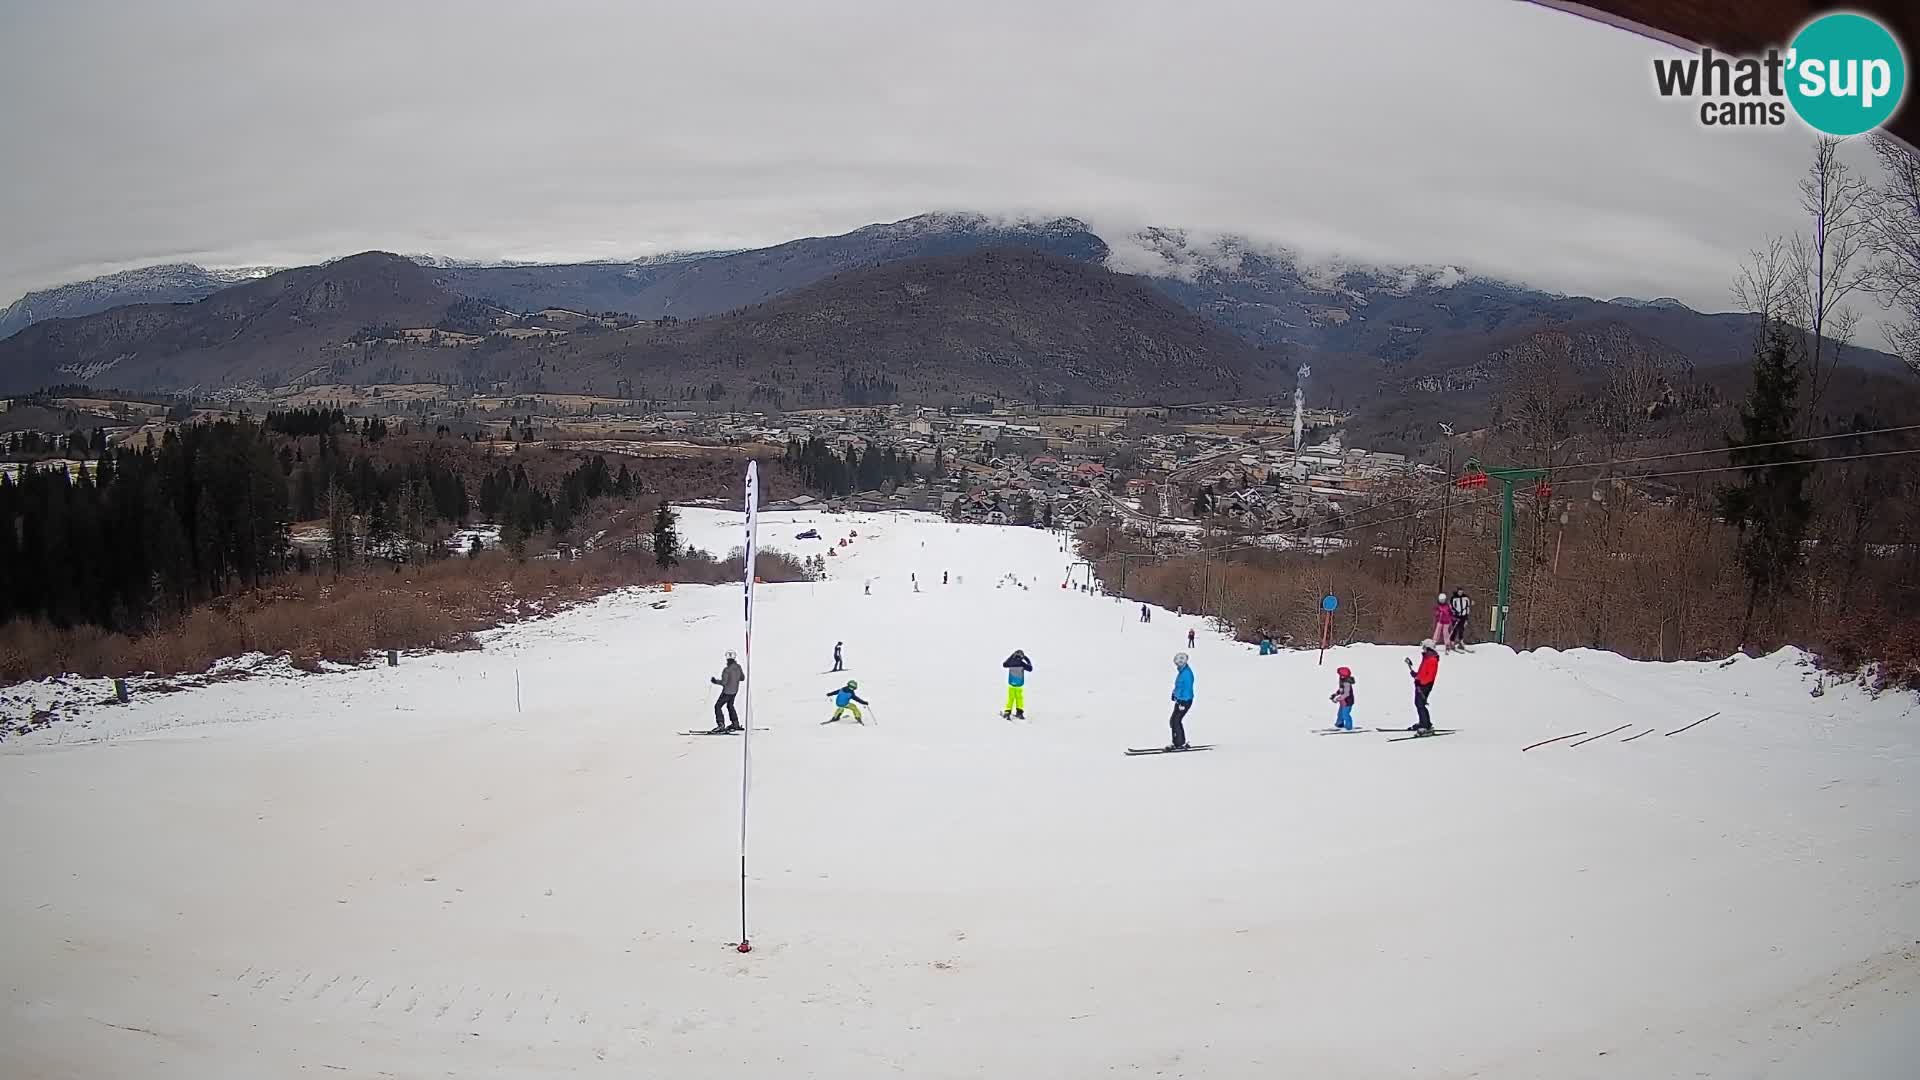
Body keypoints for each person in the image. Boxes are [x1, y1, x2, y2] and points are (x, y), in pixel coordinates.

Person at [1405, 640, 1439, 733]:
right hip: (1421, 684)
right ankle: (1423, 722)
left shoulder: (1432, 660)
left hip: (1425, 685)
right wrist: (1416, 675)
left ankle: (1425, 725)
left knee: (1420, 704)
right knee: (1418, 703)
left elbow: (1429, 676)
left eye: (1424, 647)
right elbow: (1423, 673)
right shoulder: (1427, 658)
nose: (1423, 649)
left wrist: (1420, 682)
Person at [709, 652, 745, 732]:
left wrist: (715, 681)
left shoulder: (727, 670)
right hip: (735, 691)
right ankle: (735, 723)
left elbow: (724, 682)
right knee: (730, 705)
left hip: (727, 692)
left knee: (717, 706)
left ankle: (721, 725)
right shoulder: (738, 667)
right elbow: (742, 678)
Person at [1167, 652, 1196, 749]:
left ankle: (1179, 743)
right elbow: (1179, 686)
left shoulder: (1186, 674)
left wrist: (1182, 702)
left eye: (1179, 663)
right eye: (1176, 662)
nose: (1177, 664)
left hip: (1185, 701)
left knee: (1176, 721)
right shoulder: (1182, 672)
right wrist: (1174, 694)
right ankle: (1177, 742)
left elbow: (1187, 689)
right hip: (1180, 700)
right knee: (1173, 721)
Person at [1001, 649, 1033, 719]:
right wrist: (1027, 659)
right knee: (1019, 698)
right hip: (1019, 684)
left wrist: (1011, 657)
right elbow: (1030, 668)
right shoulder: (1022, 663)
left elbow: (1004, 664)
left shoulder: (1010, 663)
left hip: (1011, 684)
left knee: (1010, 698)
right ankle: (1019, 712)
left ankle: (1007, 711)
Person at [1330, 666, 1356, 730]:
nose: (1339, 676)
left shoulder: (1347, 683)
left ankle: (1348, 726)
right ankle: (1339, 723)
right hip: (1343, 702)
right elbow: (1341, 690)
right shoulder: (1342, 681)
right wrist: (1335, 694)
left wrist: (1337, 699)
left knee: (1345, 714)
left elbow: (1346, 694)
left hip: (1348, 702)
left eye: (1340, 675)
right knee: (1340, 714)